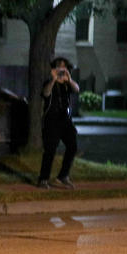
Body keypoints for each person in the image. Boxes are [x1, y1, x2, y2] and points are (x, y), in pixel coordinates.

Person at [37, 57, 79, 190]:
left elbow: (77, 89)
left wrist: (69, 79)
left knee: (72, 146)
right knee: (50, 150)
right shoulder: (49, 82)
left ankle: (62, 176)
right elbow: (45, 93)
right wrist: (54, 79)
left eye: (64, 67)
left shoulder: (67, 84)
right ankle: (43, 179)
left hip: (65, 120)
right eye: (58, 66)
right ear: (53, 69)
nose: (61, 69)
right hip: (52, 120)